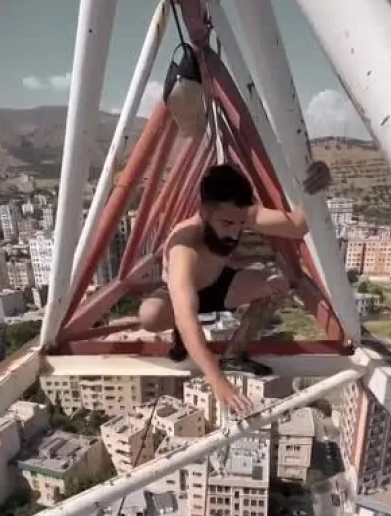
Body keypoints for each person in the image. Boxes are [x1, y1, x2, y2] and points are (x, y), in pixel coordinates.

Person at [139, 160, 330, 414]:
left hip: (220, 284)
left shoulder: (239, 215)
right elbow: (186, 315)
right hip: (179, 297)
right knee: (150, 315)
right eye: (227, 224)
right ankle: (181, 341)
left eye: (241, 224)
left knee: (278, 285)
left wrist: (316, 189)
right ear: (205, 212)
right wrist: (217, 380)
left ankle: (235, 354)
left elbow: (297, 226)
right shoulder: (185, 244)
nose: (234, 232)